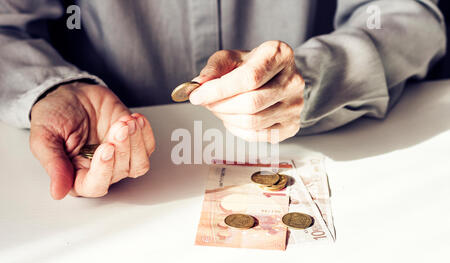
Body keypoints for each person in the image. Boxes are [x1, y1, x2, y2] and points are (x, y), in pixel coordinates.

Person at [0, 0, 446, 199]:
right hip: (132, 182)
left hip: (319, 144)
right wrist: (54, 87)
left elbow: (407, 13)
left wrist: (316, 74)